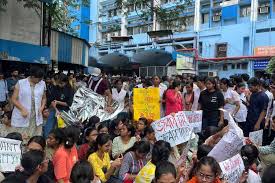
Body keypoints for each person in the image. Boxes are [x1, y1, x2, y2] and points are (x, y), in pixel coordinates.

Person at [11, 66, 46, 142]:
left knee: (34, 139)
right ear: (32, 77)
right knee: (20, 139)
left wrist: (42, 107)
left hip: (35, 116)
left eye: (41, 79)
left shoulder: (42, 83)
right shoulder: (21, 83)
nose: (40, 80)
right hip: (23, 114)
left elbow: (44, 98)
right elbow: (13, 99)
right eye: (39, 79)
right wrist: (22, 109)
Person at [44, 73, 74, 138]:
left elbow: (69, 103)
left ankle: (58, 141)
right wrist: (54, 107)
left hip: (63, 111)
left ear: (66, 82)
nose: (60, 85)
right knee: (48, 126)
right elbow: (51, 98)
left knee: (60, 128)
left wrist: (58, 102)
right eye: (59, 83)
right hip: (53, 109)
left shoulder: (70, 90)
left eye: (61, 83)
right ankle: (46, 139)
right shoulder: (56, 87)